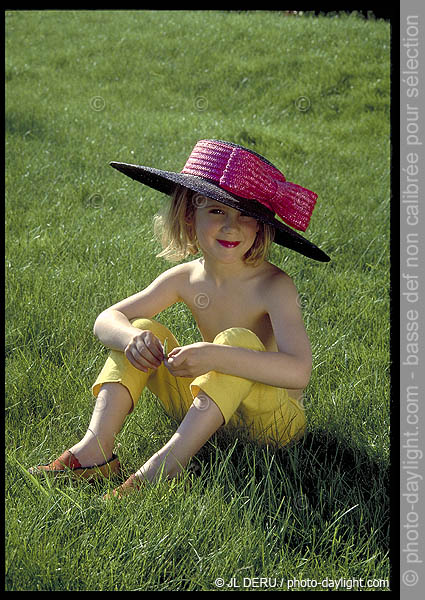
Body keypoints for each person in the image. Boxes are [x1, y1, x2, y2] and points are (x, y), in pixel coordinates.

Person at [30, 139, 330, 498]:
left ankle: (163, 468)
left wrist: (215, 356)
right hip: (208, 409)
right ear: (190, 214)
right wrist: (131, 340)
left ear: (261, 228)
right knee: (141, 329)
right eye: (217, 211)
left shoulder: (274, 286)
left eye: (246, 216)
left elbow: (299, 372)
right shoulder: (185, 278)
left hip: (270, 422)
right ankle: (95, 449)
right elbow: (107, 318)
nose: (232, 227)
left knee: (237, 338)